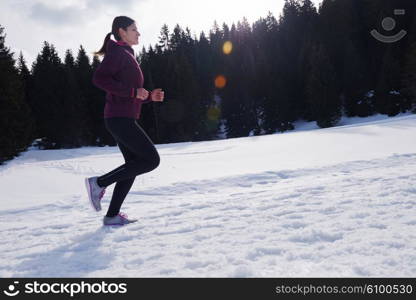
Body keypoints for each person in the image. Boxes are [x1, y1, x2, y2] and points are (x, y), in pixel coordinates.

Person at [85, 16, 164, 226]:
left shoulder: (127, 53)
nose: (138, 33)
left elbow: (131, 94)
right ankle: (99, 183)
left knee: (134, 165)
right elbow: (99, 79)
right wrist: (133, 91)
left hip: (122, 117)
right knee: (151, 160)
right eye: (134, 29)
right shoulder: (118, 53)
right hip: (119, 119)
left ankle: (112, 216)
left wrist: (148, 96)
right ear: (122, 32)